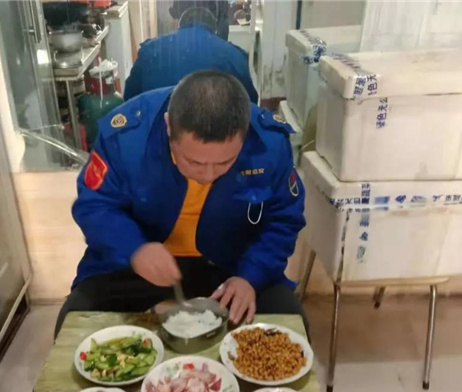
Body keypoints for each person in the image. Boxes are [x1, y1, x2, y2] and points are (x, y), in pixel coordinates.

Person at [56, 71, 306, 336]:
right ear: (168, 126)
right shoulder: (127, 137)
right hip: (138, 266)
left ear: (244, 136)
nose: (208, 175)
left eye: (224, 163)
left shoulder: (268, 143)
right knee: (75, 322)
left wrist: (250, 277)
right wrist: (134, 249)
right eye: (194, 162)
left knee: (289, 324)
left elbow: (284, 218)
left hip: (231, 265)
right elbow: (95, 205)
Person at [123, 6, 257, 103]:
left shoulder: (150, 50)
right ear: (214, 30)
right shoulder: (233, 55)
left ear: (179, 25)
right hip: (213, 129)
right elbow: (250, 104)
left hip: (158, 127)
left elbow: (129, 96)